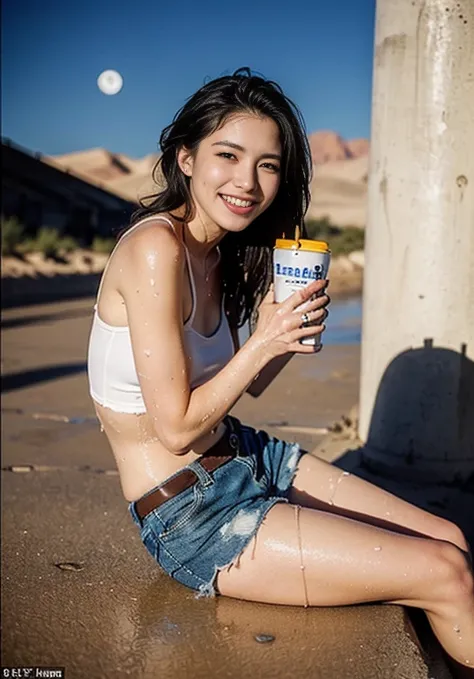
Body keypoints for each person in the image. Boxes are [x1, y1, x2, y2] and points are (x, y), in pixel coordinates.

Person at [87, 68, 473, 673]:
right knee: (445, 574)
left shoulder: (220, 254)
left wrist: (285, 331)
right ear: (185, 158)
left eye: (268, 165)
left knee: (451, 539)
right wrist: (262, 342)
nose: (248, 181)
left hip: (246, 455)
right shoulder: (155, 249)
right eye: (228, 155)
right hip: (192, 515)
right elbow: (178, 429)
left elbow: (248, 385)